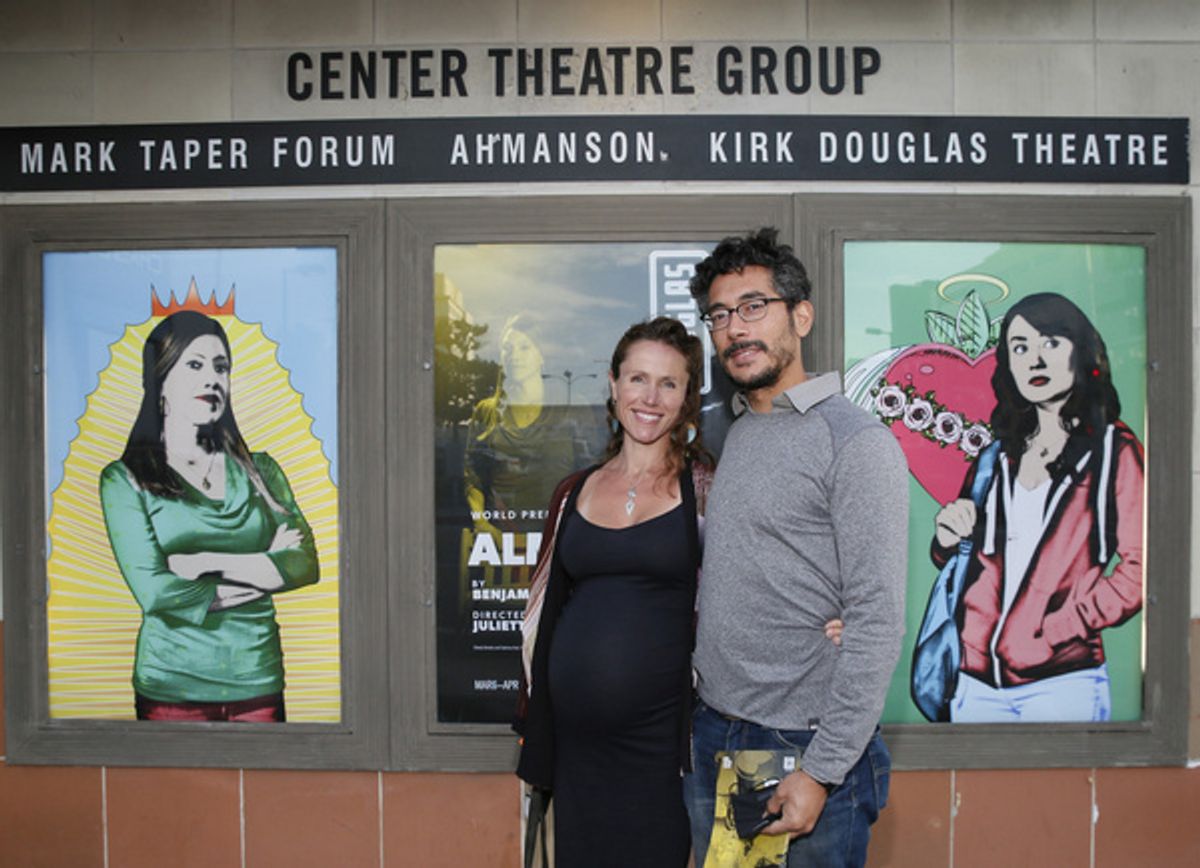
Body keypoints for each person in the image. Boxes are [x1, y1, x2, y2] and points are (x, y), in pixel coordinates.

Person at [683, 228, 908, 868]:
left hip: (804, 744)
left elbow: (875, 617)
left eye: (754, 306)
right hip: (716, 731)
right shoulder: (738, 430)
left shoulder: (854, 441)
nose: (734, 328)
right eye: (720, 315)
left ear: (800, 316)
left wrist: (822, 770)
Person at [516, 316, 713, 868]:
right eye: (637, 379)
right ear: (612, 384)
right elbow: (542, 613)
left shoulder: (706, 493)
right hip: (576, 748)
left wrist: (824, 620)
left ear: (686, 397)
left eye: (668, 383)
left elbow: (751, 588)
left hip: (662, 753)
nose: (649, 397)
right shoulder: (573, 491)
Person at [932, 292, 1143, 722]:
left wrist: (1058, 629)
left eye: (1051, 343)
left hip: (1063, 681)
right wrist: (946, 538)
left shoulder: (1112, 450)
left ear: (1081, 352)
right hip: (975, 680)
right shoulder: (997, 455)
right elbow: (963, 559)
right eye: (1021, 347)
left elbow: (1142, 569)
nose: (1035, 360)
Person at [99, 310, 318, 722]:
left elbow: (304, 564)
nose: (213, 379)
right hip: (171, 687)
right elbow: (157, 593)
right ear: (160, 380)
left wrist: (205, 564)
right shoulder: (124, 480)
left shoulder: (262, 471)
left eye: (221, 367)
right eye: (195, 365)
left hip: (258, 680)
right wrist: (265, 572)